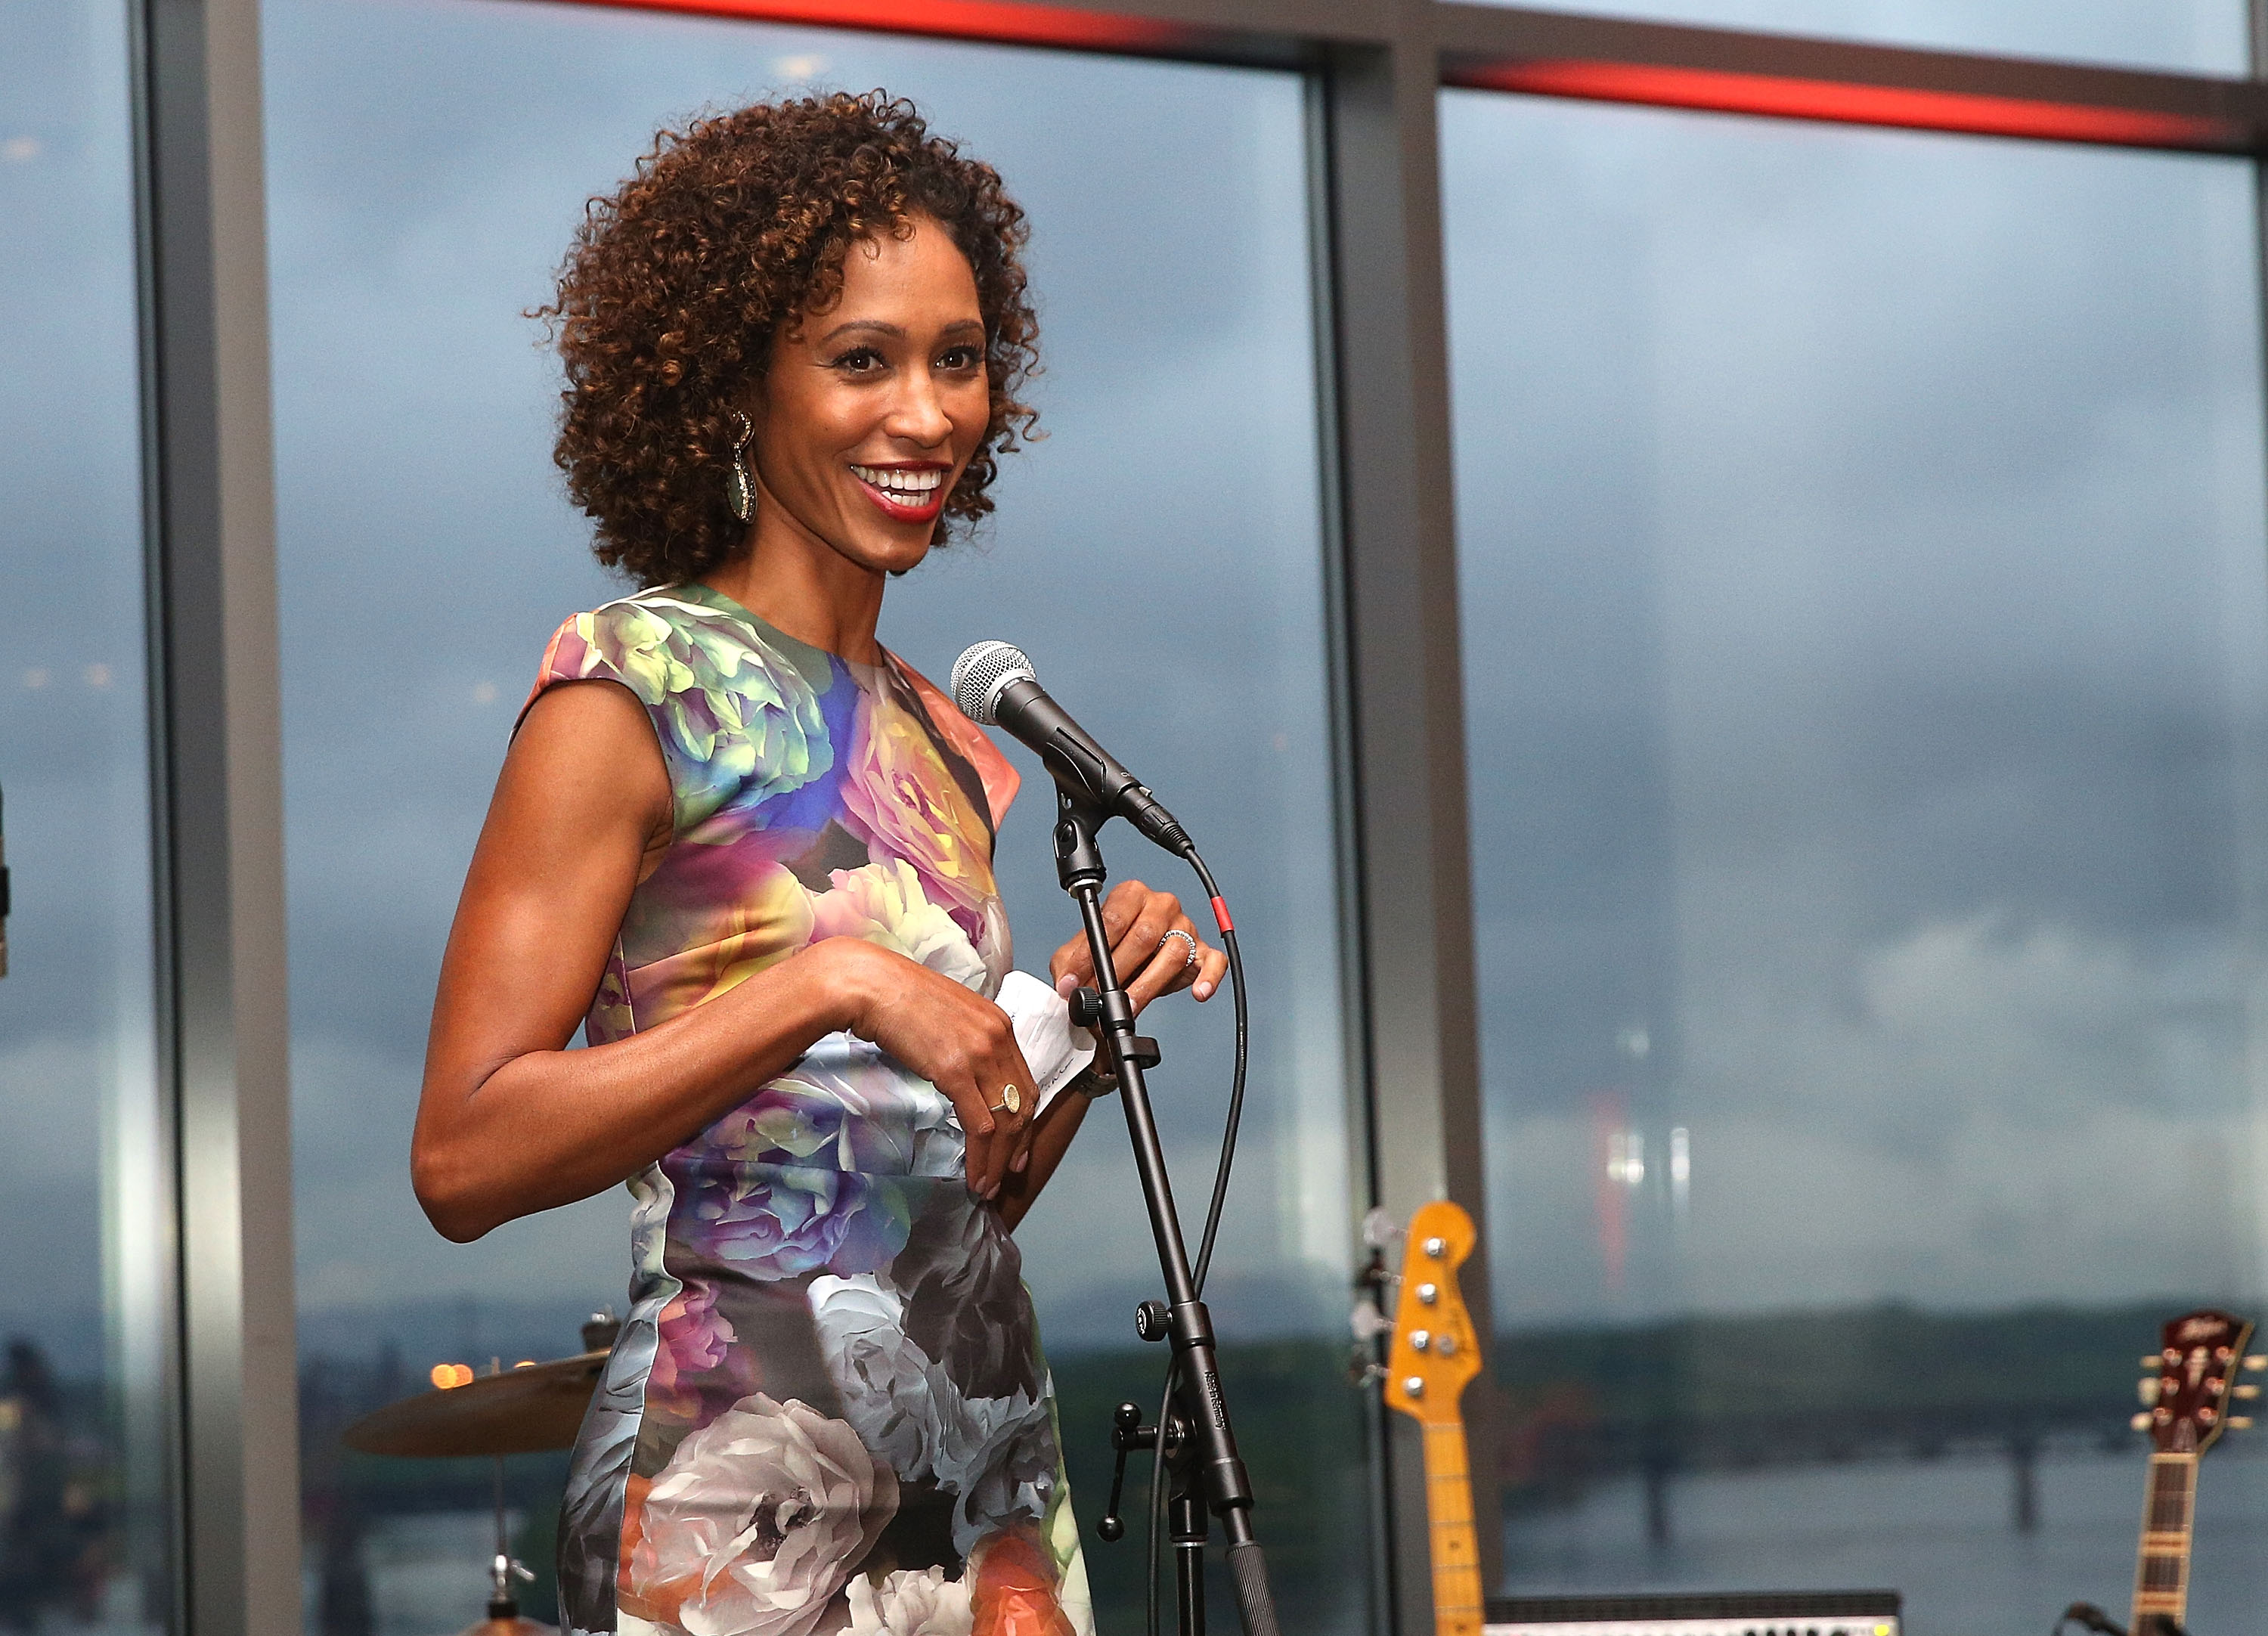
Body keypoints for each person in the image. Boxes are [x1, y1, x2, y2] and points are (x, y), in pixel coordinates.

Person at [411, 92, 1226, 1636]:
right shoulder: (628, 687)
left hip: (987, 1495)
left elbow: (931, 1213)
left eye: (958, 359)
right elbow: (460, 1155)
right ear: (739, 380)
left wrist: (1075, 1032)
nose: (925, 413)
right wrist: (831, 984)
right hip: (734, 1505)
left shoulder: (956, 745)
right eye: (863, 359)